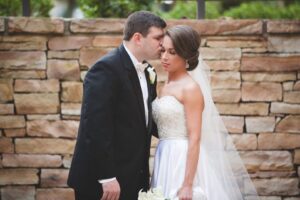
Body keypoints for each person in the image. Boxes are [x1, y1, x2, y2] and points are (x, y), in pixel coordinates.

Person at [151, 25, 260, 200]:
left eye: (172, 52)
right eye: (163, 50)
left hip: (182, 159)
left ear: (185, 55)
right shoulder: (166, 84)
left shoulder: (190, 88)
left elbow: (195, 137)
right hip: (164, 155)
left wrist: (187, 185)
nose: (164, 57)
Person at [68, 11, 166, 200]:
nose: (162, 44)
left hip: (134, 177)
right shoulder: (105, 69)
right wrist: (107, 177)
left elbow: (144, 119)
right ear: (138, 38)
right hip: (103, 182)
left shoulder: (149, 71)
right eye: (158, 38)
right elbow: (95, 126)